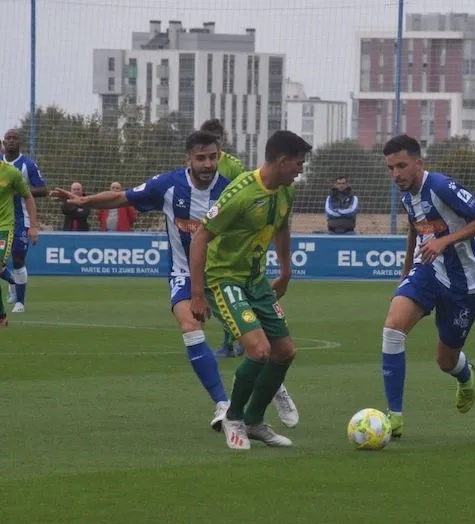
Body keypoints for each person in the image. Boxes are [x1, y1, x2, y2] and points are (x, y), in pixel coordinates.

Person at [51, 130, 299, 431]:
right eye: (201, 158)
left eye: (213, 157)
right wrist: (85, 200)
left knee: (267, 346)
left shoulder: (231, 189)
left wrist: (282, 270)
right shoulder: (168, 186)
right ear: (188, 159)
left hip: (229, 274)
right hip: (185, 273)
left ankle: (273, 387)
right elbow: (121, 196)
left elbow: (274, 222)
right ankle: (223, 404)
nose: (208, 164)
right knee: (190, 326)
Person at [189, 130, 312, 450]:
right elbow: (201, 236)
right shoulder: (240, 193)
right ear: (282, 161)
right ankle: (234, 416)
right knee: (259, 351)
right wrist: (198, 293)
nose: (301, 169)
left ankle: (255, 421)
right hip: (224, 279)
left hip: (256, 280)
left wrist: (285, 271)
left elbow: (282, 228)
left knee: (285, 351)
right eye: (298, 163)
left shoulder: (286, 191)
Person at [380, 134, 475, 439]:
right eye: (391, 168)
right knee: (393, 329)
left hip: (463, 285)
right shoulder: (406, 193)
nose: (396, 174)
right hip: (428, 271)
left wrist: (445, 240)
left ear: (419, 164)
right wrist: (407, 269)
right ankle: (394, 417)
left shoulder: (442, 186)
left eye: (402, 166)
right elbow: (414, 226)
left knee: (446, 360)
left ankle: (465, 375)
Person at [199, 118, 246, 359]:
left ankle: (238, 336)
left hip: (226, 238)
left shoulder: (233, 166)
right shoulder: (197, 163)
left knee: (224, 289)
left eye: (213, 142)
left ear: (220, 141)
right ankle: (233, 339)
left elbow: (244, 199)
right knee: (210, 291)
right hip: (203, 235)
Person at [1, 129, 47, 313]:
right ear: (3, 142)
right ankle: (12, 281)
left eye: (15, 138)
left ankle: (20, 301)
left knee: (18, 258)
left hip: (20, 220)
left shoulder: (27, 165)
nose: (11, 141)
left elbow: (43, 190)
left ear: (20, 142)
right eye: (8, 138)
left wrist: (19, 189)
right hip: (1, 218)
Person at [0, 159, 39, 327]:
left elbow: (28, 197)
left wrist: (33, 226)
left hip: (4, 227)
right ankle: (2, 314)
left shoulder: (11, 172)